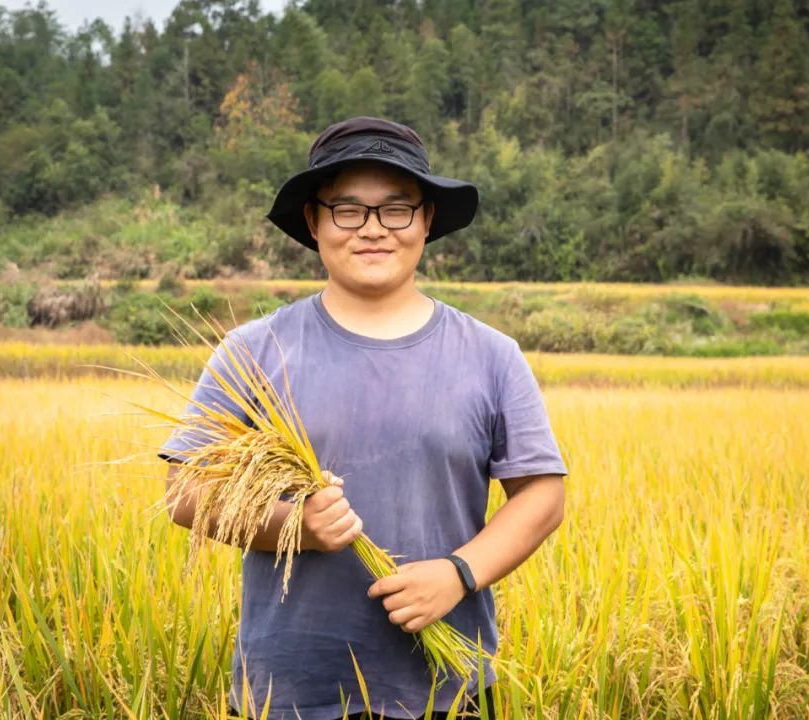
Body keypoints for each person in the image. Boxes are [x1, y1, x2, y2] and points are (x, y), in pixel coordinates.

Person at [158, 117, 567, 720]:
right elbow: (184, 491)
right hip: (292, 692)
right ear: (313, 222)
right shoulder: (254, 351)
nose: (373, 229)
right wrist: (292, 525)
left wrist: (458, 573)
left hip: (447, 690)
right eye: (347, 210)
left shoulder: (491, 355)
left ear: (426, 219)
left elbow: (542, 495)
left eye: (396, 209)